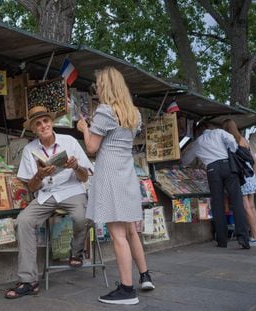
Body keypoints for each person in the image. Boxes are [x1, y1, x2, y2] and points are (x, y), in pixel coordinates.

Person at [77, 66, 154, 306]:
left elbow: (91, 147)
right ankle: (144, 276)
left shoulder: (105, 111)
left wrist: (84, 129)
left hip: (109, 174)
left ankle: (127, 289)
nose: (96, 88)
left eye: (98, 84)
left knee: (118, 233)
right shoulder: (134, 113)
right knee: (131, 230)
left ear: (107, 86)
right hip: (127, 173)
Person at [4, 105, 93, 299]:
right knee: (24, 221)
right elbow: (32, 188)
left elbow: (85, 177)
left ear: (51, 122)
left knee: (82, 216)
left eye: (46, 121)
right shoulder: (29, 150)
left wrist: (76, 166)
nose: (43, 125)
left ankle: (76, 251)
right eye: (38, 123)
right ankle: (29, 281)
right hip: (46, 194)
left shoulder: (69, 141)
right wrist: (39, 175)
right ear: (34, 129)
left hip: (71, 190)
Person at [182, 123, 250, 249]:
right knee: (236, 201)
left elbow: (185, 160)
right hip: (227, 165)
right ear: (209, 128)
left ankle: (222, 240)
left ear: (198, 132)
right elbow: (231, 140)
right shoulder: (219, 132)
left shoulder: (197, 143)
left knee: (217, 204)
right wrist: (232, 150)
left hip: (212, 170)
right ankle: (243, 238)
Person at [223, 119, 256, 247]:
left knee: (246, 207)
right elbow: (254, 160)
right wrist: (254, 175)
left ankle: (255, 237)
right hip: (251, 175)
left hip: (243, 177)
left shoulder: (233, 142)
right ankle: (255, 235)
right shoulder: (244, 140)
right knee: (252, 206)